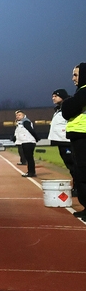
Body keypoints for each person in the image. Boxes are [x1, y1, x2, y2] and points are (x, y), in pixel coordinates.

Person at [63, 63, 86, 215]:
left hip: (83, 137)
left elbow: (68, 110)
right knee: (81, 174)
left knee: (83, 174)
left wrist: (67, 103)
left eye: (76, 75)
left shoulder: (84, 92)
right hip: (79, 136)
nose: (73, 78)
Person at [49, 89, 76, 193]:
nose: (53, 98)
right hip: (60, 141)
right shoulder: (58, 109)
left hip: (66, 140)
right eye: (52, 96)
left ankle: (78, 188)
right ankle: (76, 186)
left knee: (73, 165)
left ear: (62, 97)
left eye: (55, 96)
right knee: (70, 166)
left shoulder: (68, 108)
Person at [13, 110, 38, 178]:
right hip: (25, 141)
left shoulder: (25, 121)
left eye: (19, 115)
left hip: (28, 141)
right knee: (28, 158)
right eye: (17, 115)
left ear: (23, 115)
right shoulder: (20, 123)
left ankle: (31, 172)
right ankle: (31, 171)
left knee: (29, 158)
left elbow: (31, 130)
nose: (17, 116)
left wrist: (37, 138)